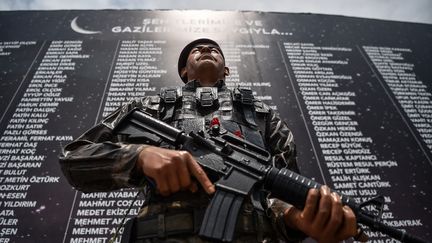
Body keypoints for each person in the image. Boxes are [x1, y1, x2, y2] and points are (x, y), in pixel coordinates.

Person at [60, 38, 358, 242]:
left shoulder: (263, 116)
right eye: (196, 49)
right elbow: (75, 157)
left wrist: (299, 220)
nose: (205, 48)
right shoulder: (148, 109)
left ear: (226, 70)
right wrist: (139, 156)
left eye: (214, 49)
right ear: (182, 70)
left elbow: (278, 193)